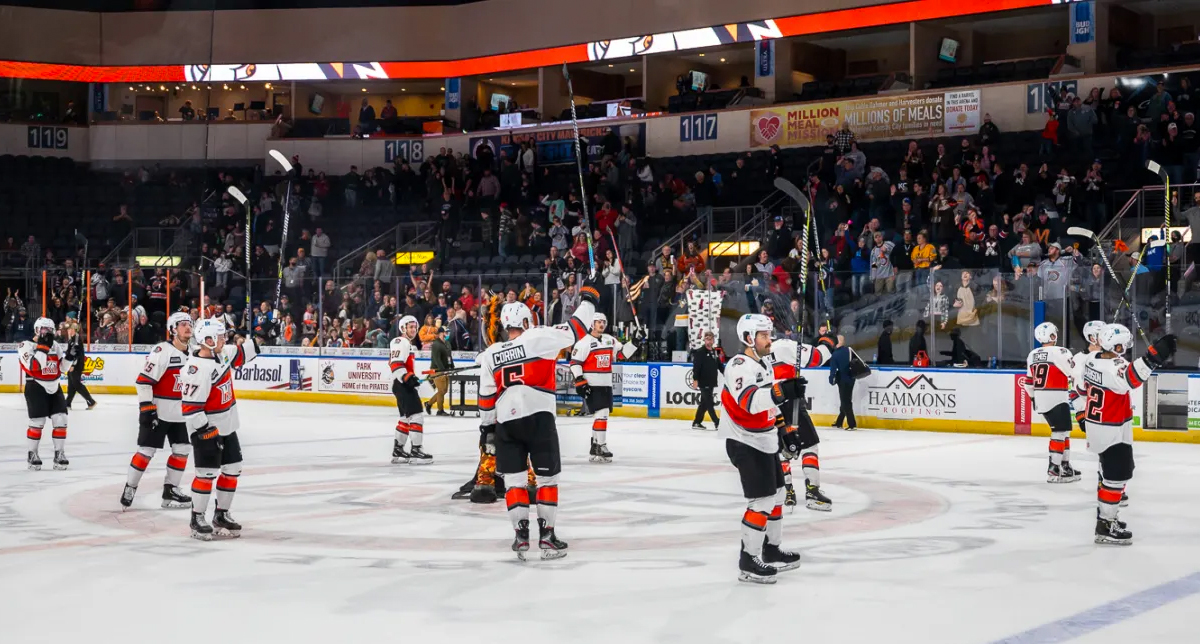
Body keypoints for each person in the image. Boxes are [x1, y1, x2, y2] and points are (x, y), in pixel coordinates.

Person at [475, 276, 600, 560]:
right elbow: (576, 329)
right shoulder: (538, 337)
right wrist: (590, 297)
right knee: (547, 480)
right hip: (539, 418)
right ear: (527, 321)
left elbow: (485, 397)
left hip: (506, 422)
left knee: (515, 482)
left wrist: (487, 429)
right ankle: (547, 538)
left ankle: (520, 537)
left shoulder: (491, 353)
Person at [720, 314, 805, 584]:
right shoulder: (738, 365)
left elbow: (769, 406)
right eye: (764, 336)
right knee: (762, 501)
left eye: (769, 334)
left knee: (779, 494)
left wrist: (785, 431)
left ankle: (770, 549)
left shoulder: (764, 363)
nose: (770, 340)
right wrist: (783, 392)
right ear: (748, 338)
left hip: (765, 439)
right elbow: (749, 402)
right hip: (744, 441)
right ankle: (748, 560)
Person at [1081, 325, 1175, 545]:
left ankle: (1106, 517)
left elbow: (1124, 371)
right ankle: (1105, 524)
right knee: (1117, 476)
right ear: (1116, 345)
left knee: (1115, 473)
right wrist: (1153, 357)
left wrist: (1150, 358)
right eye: (1124, 343)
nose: (1127, 347)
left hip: (1104, 425)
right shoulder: (1111, 368)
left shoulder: (1092, 359)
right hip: (1110, 428)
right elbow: (1130, 379)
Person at [181, 318, 261, 540]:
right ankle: (196, 517)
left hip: (228, 428)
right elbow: (190, 408)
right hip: (206, 431)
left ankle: (221, 514)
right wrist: (206, 430)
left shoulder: (222, 352)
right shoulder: (195, 370)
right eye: (220, 336)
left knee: (233, 468)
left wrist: (262, 332)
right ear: (207, 340)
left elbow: (246, 352)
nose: (224, 339)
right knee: (206, 475)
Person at [121, 312, 195, 509]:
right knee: (146, 451)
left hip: (182, 414)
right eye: (182, 324)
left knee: (182, 450)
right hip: (159, 412)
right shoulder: (162, 351)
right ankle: (131, 486)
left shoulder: (195, 352)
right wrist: (147, 409)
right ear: (172, 329)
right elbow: (144, 382)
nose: (187, 327)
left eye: (190, 324)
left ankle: (170, 492)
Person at [768, 335, 834, 511]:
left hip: (768, 403)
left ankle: (786, 491)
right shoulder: (784, 345)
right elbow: (817, 358)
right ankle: (812, 492)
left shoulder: (756, 354)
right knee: (809, 445)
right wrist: (828, 341)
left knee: (782, 449)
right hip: (790, 399)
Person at [570, 312, 639, 463]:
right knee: (602, 413)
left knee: (601, 414)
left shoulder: (610, 340)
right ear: (592, 324)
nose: (601, 324)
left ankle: (595, 446)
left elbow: (623, 354)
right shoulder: (584, 343)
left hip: (606, 384)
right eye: (598, 322)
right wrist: (580, 380)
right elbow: (575, 363)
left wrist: (635, 341)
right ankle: (601, 445)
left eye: (603, 322)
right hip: (593, 385)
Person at [1024, 322, 1082, 484]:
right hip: (1057, 396)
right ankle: (1054, 468)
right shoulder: (1061, 351)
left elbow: (1028, 383)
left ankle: (1065, 465)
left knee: (1064, 432)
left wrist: (1034, 398)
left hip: (1041, 397)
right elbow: (1074, 372)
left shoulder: (1032, 354)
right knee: (1059, 433)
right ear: (1053, 336)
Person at [19, 317, 69, 470]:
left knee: (61, 419)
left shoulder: (55, 345)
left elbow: (64, 368)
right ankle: (32, 453)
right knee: (37, 422)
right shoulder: (25, 345)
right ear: (36, 330)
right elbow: (35, 366)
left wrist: (72, 357)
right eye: (43, 329)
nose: (46, 333)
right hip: (35, 385)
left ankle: (59, 453)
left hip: (55, 386)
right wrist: (42, 348)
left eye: (49, 330)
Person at [389, 315, 432, 463]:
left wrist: (411, 377)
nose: (413, 329)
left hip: (400, 384)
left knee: (405, 418)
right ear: (403, 328)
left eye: (415, 327)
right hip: (402, 384)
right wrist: (407, 378)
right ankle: (416, 450)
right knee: (417, 416)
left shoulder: (408, 344)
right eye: (410, 327)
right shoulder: (400, 341)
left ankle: (398, 450)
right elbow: (395, 364)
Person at [1071, 320, 1107, 434]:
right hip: (1090, 410)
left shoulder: (1109, 357)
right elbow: (1075, 390)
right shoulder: (1078, 359)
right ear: (1092, 338)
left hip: (1108, 409)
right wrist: (1081, 412)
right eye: (1102, 334)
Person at [690, 330, 722, 430]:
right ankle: (717, 422)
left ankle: (696, 422)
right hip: (703, 381)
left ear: (713, 340)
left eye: (710, 339)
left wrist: (727, 373)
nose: (709, 341)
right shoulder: (700, 352)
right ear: (704, 340)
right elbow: (696, 367)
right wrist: (695, 380)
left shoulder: (714, 352)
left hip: (711, 381)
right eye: (707, 339)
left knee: (704, 403)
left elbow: (719, 365)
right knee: (709, 403)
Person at [63, 324, 96, 410]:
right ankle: (68, 403)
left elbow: (75, 353)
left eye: (69, 329)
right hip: (72, 364)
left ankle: (91, 401)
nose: (68, 331)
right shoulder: (72, 339)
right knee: (71, 384)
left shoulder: (76, 339)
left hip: (76, 365)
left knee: (76, 384)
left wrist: (73, 364)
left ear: (73, 329)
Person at [827, 337, 857, 430]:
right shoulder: (849, 350)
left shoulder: (835, 354)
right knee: (845, 399)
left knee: (845, 401)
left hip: (842, 380)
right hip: (851, 378)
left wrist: (831, 379)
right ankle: (839, 421)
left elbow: (833, 370)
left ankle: (852, 424)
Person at [425, 324, 453, 416]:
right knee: (441, 391)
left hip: (445, 369)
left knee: (444, 391)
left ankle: (428, 404)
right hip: (437, 370)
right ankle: (440, 410)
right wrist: (443, 370)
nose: (447, 334)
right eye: (446, 332)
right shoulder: (436, 344)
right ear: (441, 333)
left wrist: (451, 367)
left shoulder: (448, 343)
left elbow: (449, 356)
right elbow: (437, 359)